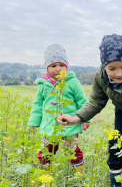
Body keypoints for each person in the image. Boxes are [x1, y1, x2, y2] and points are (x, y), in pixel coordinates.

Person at [58, 34, 122, 187]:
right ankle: (116, 181)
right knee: (116, 143)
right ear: (104, 66)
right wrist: (77, 118)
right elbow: (96, 101)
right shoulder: (100, 78)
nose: (118, 74)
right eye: (112, 68)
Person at [28, 44, 89, 172]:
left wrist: (85, 118)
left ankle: (80, 173)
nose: (58, 69)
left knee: (72, 150)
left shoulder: (72, 82)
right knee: (45, 151)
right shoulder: (44, 84)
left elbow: (82, 101)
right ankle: (44, 174)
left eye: (61, 65)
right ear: (47, 68)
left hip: (69, 126)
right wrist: (34, 121)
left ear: (66, 67)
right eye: (53, 66)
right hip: (49, 126)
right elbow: (38, 104)